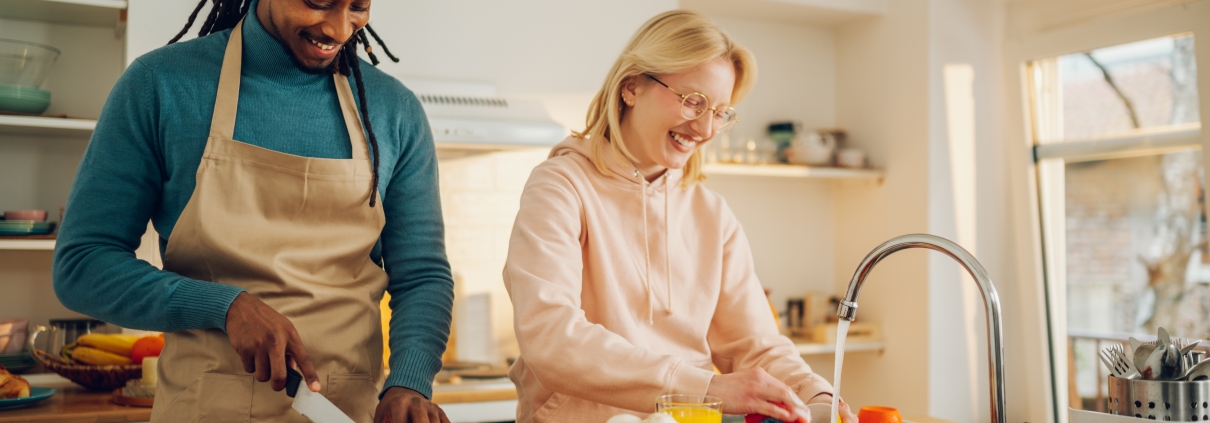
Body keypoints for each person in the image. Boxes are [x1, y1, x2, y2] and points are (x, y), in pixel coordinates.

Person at [52, 0, 454, 422]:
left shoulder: (394, 110)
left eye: (358, 6)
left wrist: (409, 383)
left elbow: (422, 275)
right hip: (204, 409)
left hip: (348, 410)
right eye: (319, 2)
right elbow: (82, 263)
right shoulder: (161, 85)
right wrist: (224, 306)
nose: (338, 28)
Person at [503, 10, 859, 423]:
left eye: (721, 112)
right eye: (694, 101)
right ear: (631, 87)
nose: (705, 128)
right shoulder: (560, 186)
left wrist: (816, 395)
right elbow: (551, 338)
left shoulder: (711, 213)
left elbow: (756, 344)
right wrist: (708, 387)